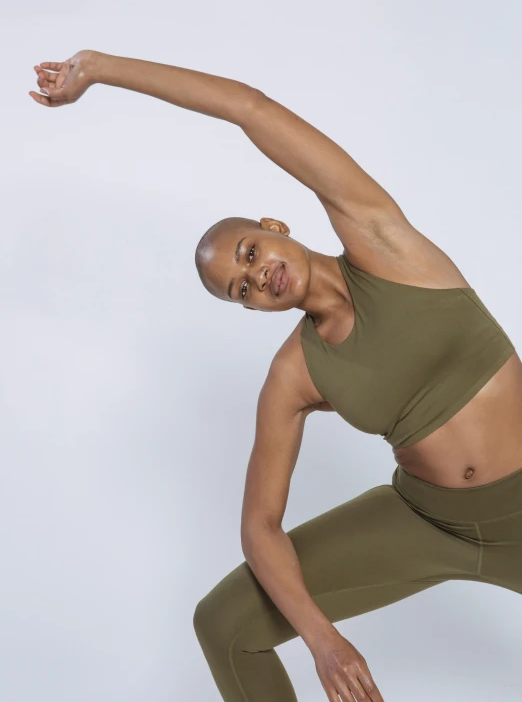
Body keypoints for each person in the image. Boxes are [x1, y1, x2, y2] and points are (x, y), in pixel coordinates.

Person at [30, 50, 522, 702]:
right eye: (241, 290)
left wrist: (98, 68)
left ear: (273, 226)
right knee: (224, 623)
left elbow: (249, 108)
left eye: (250, 253)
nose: (256, 277)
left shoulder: (384, 241)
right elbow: (259, 526)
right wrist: (324, 640)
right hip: (428, 520)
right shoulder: (293, 373)